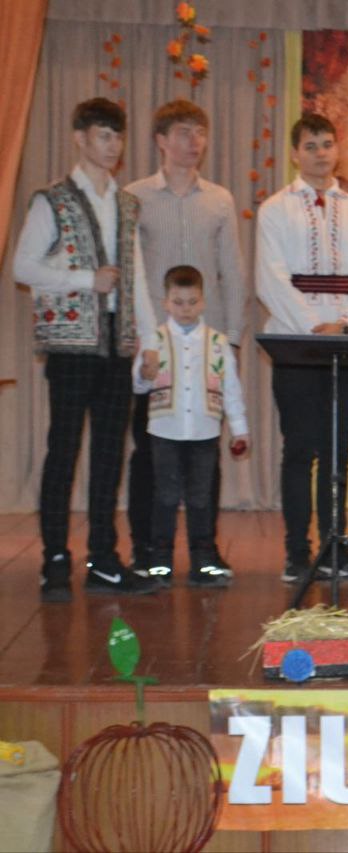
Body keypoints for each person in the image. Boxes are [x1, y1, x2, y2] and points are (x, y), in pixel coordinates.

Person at [13, 97, 161, 600]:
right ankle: (55, 557)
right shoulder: (51, 200)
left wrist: (150, 340)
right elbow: (23, 267)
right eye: (103, 135)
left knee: (108, 454)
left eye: (117, 136)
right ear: (80, 138)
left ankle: (103, 558)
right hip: (71, 344)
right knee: (64, 448)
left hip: (117, 343)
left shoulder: (127, 204)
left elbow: (135, 275)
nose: (113, 145)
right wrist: (84, 279)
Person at [255, 112, 348, 583]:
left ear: (337, 149)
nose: (320, 153)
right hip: (295, 342)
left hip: (344, 343)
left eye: (327, 144)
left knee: (338, 452)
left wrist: (346, 323)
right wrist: (314, 327)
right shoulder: (275, 209)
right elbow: (270, 280)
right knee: (299, 449)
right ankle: (296, 553)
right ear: (295, 153)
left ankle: (334, 548)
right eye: (310, 145)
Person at [125, 99, 248, 578]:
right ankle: (147, 552)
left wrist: (231, 338)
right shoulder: (134, 197)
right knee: (148, 451)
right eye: (182, 132)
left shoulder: (219, 199)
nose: (193, 141)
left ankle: (205, 552)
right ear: (160, 140)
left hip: (206, 346)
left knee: (204, 454)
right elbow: (130, 273)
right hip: (154, 348)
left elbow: (232, 272)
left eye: (199, 132)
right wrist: (139, 339)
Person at [133, 266, 249, 587]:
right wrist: (143, 372)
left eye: (192, 302)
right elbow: (139, 386)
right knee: (165, 496)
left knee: (200, 497)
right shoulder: (153, 340)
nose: (185, 309)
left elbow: (231, 388)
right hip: (164, 430)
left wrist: (240, 429)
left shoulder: (218, 342)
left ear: (203, 302)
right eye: (178, 302)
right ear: (165, 302)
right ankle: (160, 562)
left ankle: (203, 561)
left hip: (204, 431)